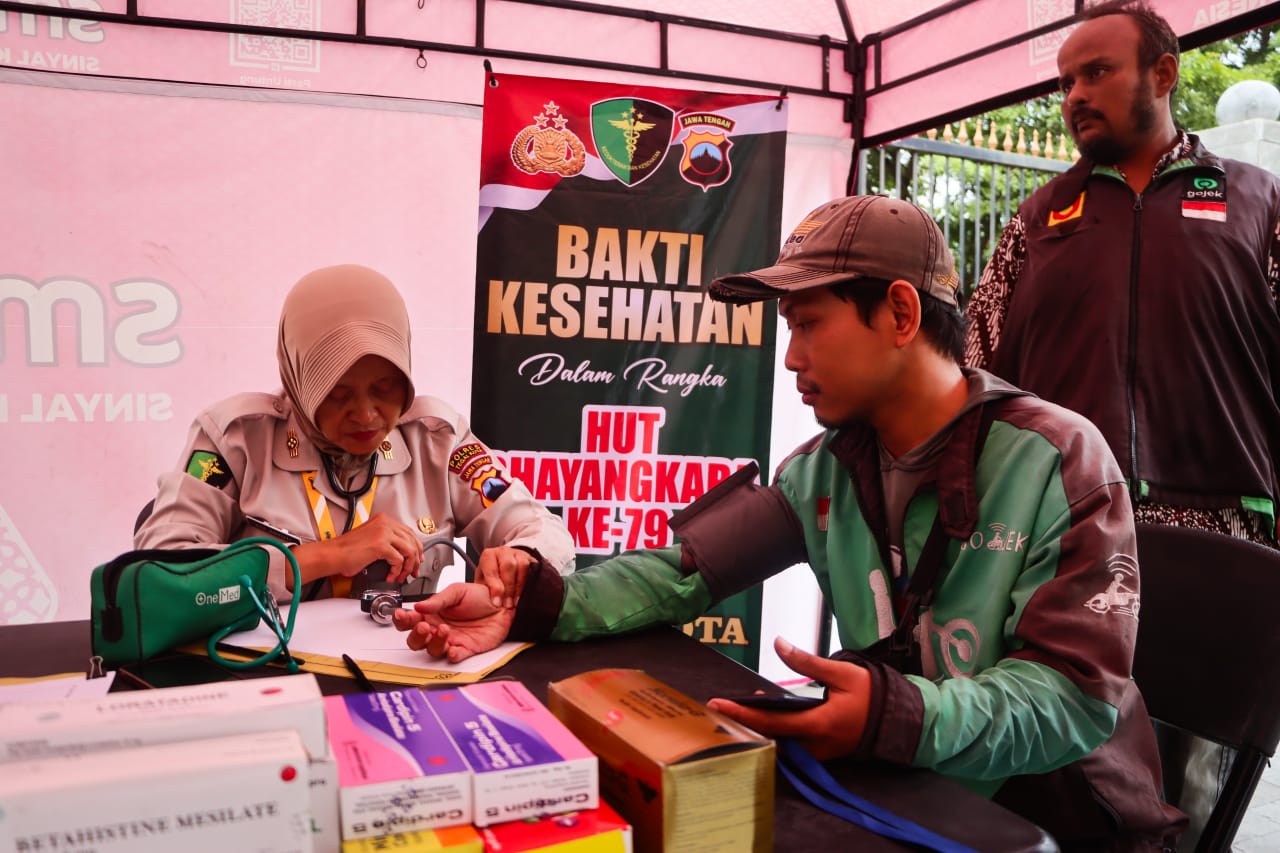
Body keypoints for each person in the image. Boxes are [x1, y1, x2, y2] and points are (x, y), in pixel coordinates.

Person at [394, 195, 1186, 851]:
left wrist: (897, 713)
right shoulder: (822, 469)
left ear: (900, 311)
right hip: (902, 794)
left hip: (1059, 821)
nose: (791, 357)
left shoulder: (1058, 458)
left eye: (808, 324)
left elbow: (1074, 699)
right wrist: (534, 600)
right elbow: (681, 573)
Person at [964, 1, 1280, 842]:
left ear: (1164, 74)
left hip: (1215, 538)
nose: (1073, 94)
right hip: (1060, 541)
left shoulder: (1258, 205)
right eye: (1066, 79)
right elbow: (973, 379)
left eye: (1096, 71)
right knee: (1053, 783)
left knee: (1186, 800)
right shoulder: (1036, 224)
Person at [134, 264, 575, 603]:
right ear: (300, 379)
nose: (366, 414)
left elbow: (543, 531)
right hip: (266, 671)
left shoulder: (437, 440)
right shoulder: (236, 440)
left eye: (385, 389)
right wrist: (324, 556)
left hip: (404, 675)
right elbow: (158, 570)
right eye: (337, 393)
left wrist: (524, 561)